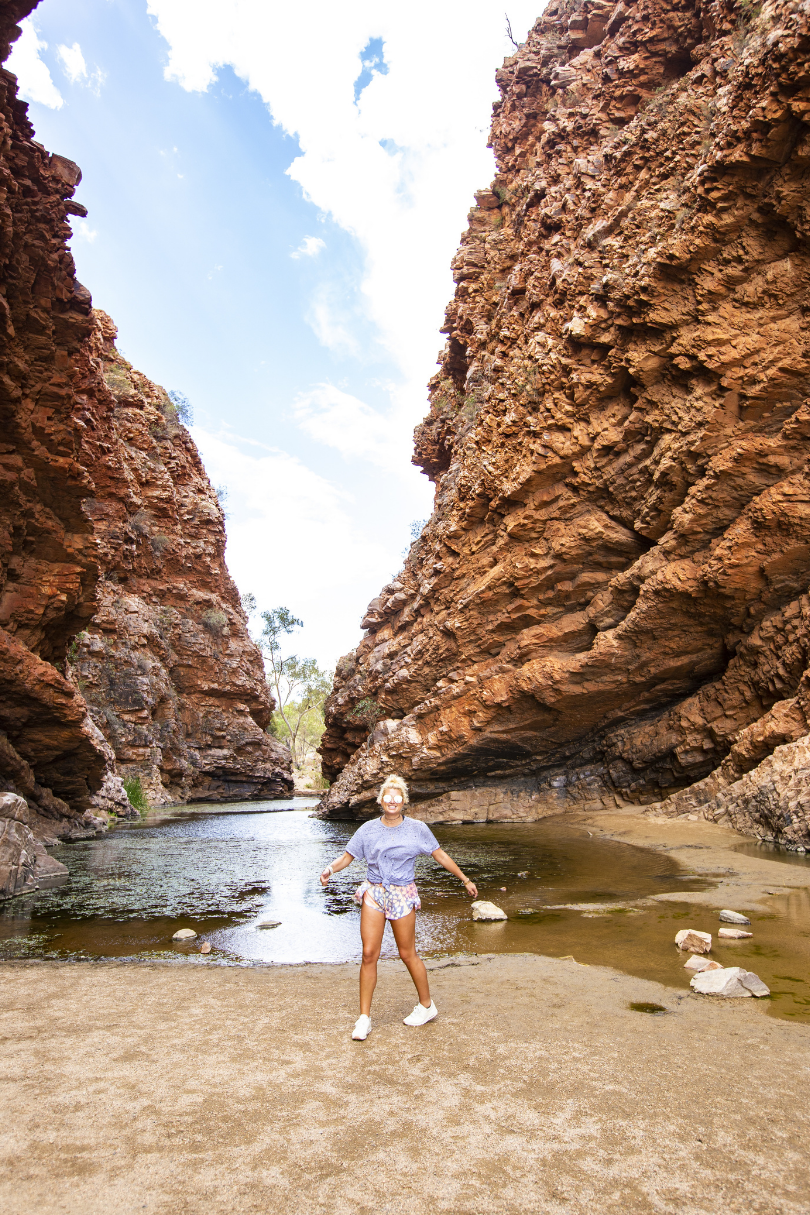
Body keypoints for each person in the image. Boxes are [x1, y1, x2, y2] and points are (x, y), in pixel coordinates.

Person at [320, 773, 478, 1040]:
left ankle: (427, 1006)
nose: (392, 801)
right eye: (388, 797)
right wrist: (329, 870)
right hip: (374, 892)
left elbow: (439, 854)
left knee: (407, 954)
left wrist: (464, 879)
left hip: (403, 893)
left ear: (403, 801)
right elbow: (348, 857)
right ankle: (364, 1019)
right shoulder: (367, 829)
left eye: (397, 797)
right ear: (381, 800)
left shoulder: (417, 829)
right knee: (369, 953)